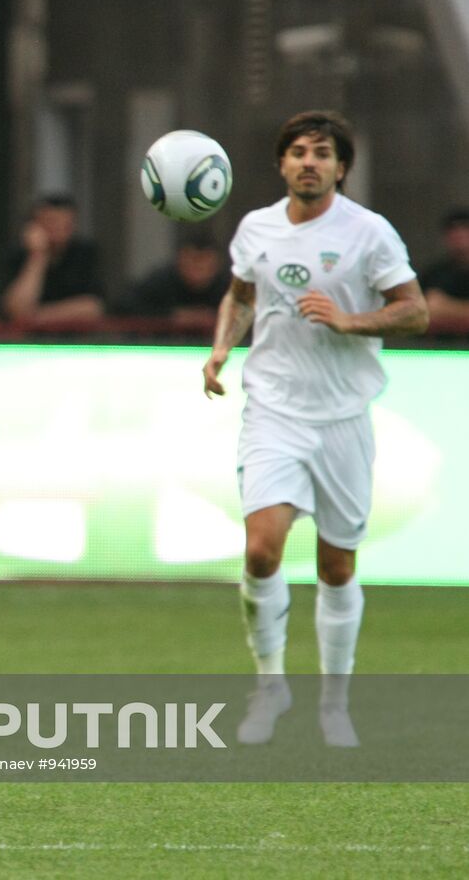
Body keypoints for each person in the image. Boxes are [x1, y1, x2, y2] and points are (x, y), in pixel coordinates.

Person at [201, 110, 428, 748]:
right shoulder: (257, 228)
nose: (309, 162)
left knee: (335, 566)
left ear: (341, 168)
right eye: (298, 151)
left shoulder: (368, 233)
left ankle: (335, 702)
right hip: (274, 409)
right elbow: (242, 296)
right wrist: (221, 349)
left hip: (343, 419)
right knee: (261, 550)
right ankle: (270, 686)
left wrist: (350, 321)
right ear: (281, 164)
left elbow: (414, 312)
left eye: (322, 153)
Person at [0, 194, 105, 325]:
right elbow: (16, 310)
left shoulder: (84, 253)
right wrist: (37, 257)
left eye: (65, 223)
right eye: (51, 222)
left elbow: (92, 308)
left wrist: (33, 318)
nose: (58, 229)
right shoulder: (19, 254)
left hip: (76, 341)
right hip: (28, 342)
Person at [115, 231, 229, 328]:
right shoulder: (161, 282)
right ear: (180, 261)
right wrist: (170, 316)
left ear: (217, 264)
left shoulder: (228, 287)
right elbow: (124, 306)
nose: (197, 269)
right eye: (192, 262)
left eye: (204, 263)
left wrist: (216, 316)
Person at [419, 207, 469, 332]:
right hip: (438, 349)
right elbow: (423, 315)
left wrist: (446, 307)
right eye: (453, 231)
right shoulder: (434, 274)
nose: (459, 237)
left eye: (465, 230)